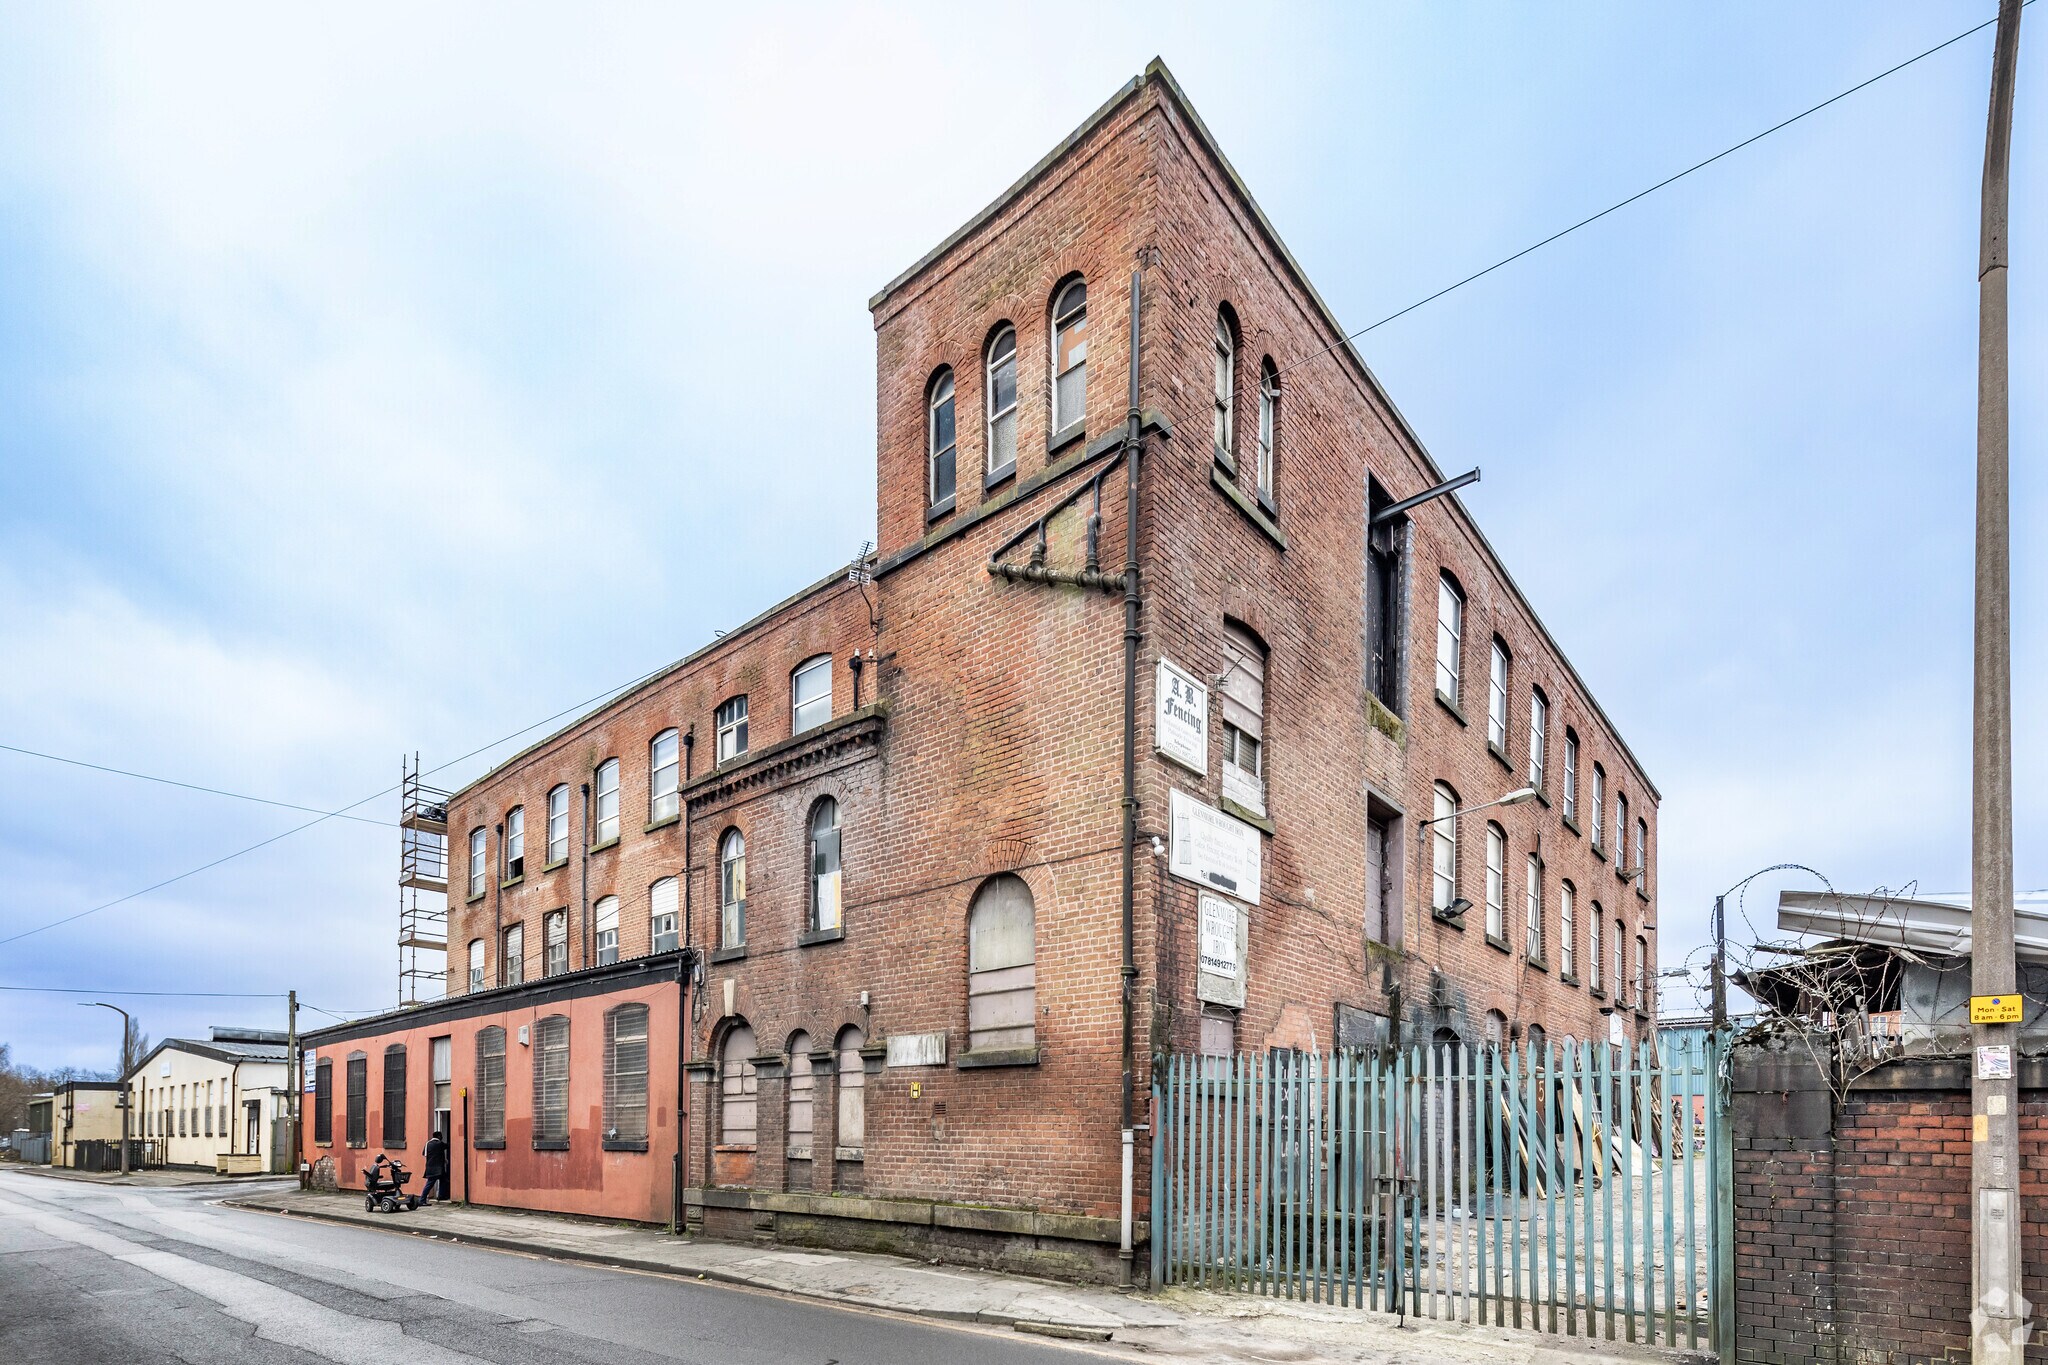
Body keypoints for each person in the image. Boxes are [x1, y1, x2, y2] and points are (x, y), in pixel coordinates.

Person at [422, 1129, 449, 1203]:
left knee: (443, 1180)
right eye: (441, 1136)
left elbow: (424, 1154)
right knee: (430, 1183)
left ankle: (441, 1196)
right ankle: (422, 1199)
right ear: (439, 1136)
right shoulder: (439, 1143)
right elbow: (447, 1146)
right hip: (438, 1168)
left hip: (429, 1167)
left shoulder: (428, 1143)